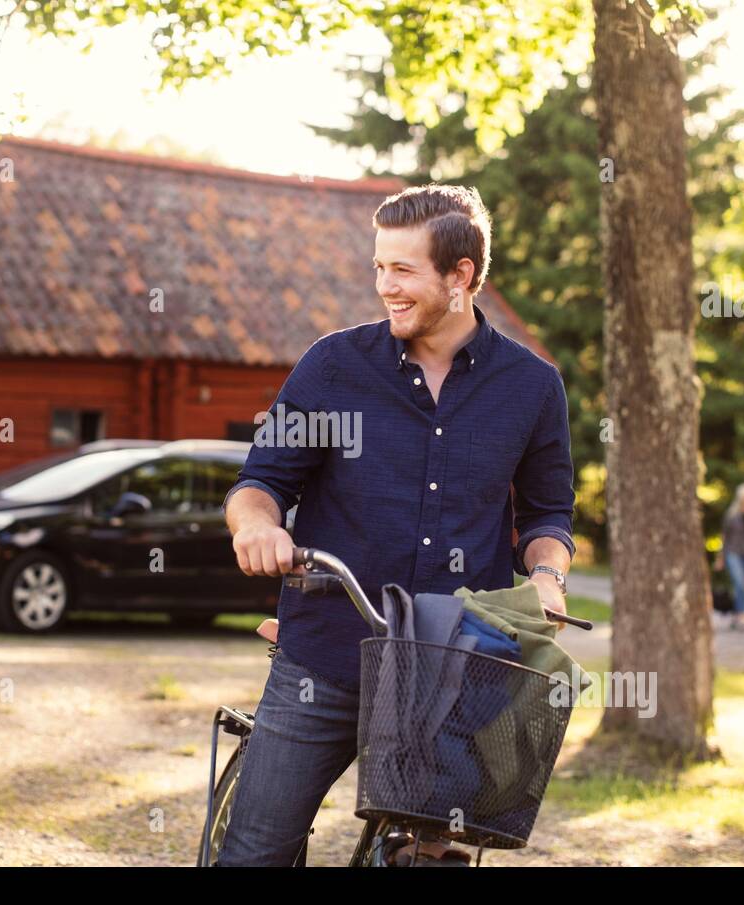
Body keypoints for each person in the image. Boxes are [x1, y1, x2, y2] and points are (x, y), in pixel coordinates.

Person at [218, 184, 576, 866]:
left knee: (431, 862)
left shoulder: (532, 387)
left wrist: (547, 575)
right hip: (324, 653)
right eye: (380, 266)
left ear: (461, 275)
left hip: (452, 670)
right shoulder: (334, 367)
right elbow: (260, 483)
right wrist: (256, 529)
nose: (385, 286)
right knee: (256, 851)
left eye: (403, 270)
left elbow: (546, 513)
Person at [714, 482, 744, 631]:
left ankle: (737, 614)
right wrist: (720, 558)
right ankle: (742, 615)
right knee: (739, 582)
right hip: (732, 552)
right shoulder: (732, 514)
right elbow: (724, 536)